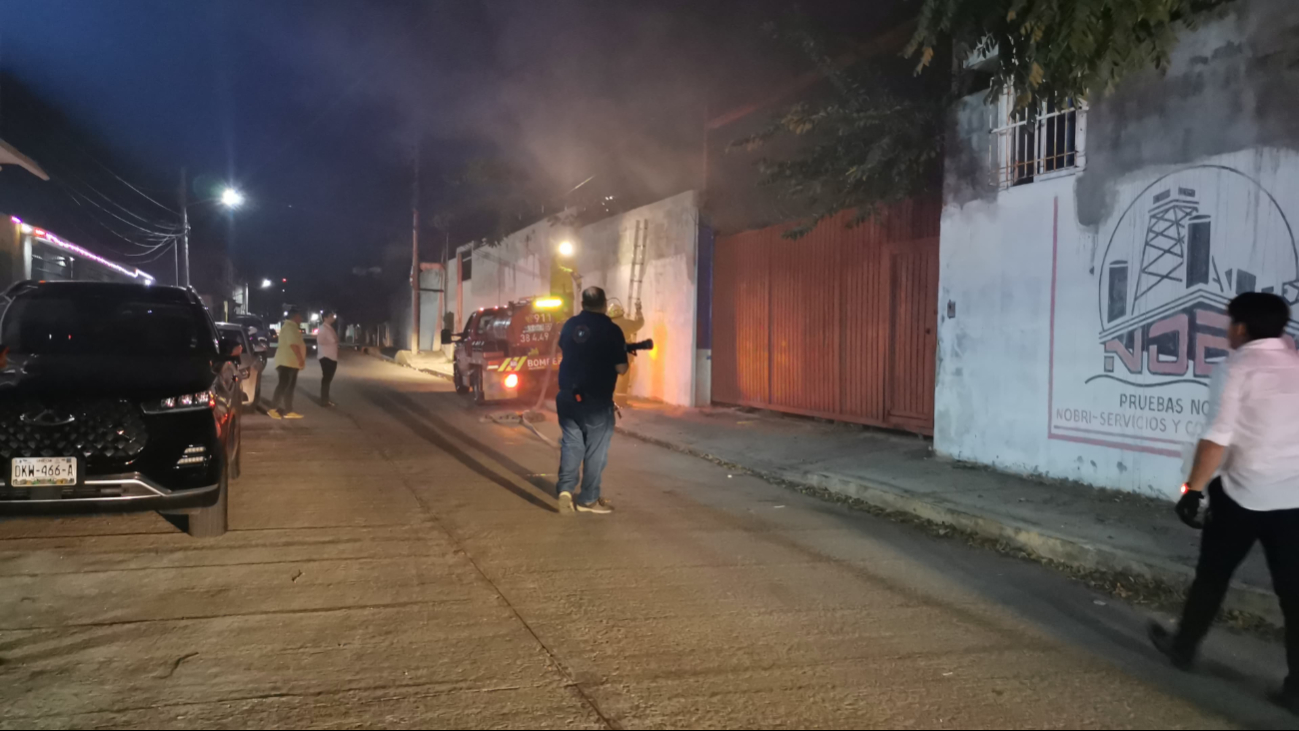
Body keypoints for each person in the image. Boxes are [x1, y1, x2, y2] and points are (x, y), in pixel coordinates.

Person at [1149, 292, 1299, 713]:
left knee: (1213, 576)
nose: (1226, 330)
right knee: (1294, 595)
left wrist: (1191, 491)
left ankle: (1183, 647)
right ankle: (1296, 688)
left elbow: (1218, 436)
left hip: (1241, 495)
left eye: (1229, 323)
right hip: (1294, 501)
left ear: (1241, 328)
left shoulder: (1235, 368)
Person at [555, 286, 628, 515]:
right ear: (605, 304)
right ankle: (588, 499)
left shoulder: (569, 325)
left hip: (567, 396)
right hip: (596, 400)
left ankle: (565, 490)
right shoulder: (611, 329)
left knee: (571, 443)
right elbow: (621, 368)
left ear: (583, 304)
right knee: (595, 450)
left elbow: (566, 349)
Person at [268, 309, 307, 420]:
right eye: (300, 317)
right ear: (295, 316)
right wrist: (300, 359)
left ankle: (288, 410)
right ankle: (273, 409)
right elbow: (293, 344)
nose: (301, 319)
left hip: (291, 363)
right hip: (286, 362)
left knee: (289, 387)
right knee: (283, 385)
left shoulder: (292, 327)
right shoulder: (290, 328)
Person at [318, 311, 339, 407]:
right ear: (325, 318)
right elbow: (320, 340)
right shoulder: (323, 328)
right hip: (326, 356)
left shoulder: (330, 328)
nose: (333, 318)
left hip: (332, 356)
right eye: (330, 316)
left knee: (328, 379)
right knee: (326, 378)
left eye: (333, 316)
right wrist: (331, 342)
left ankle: (325, 398)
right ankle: (324, 400)